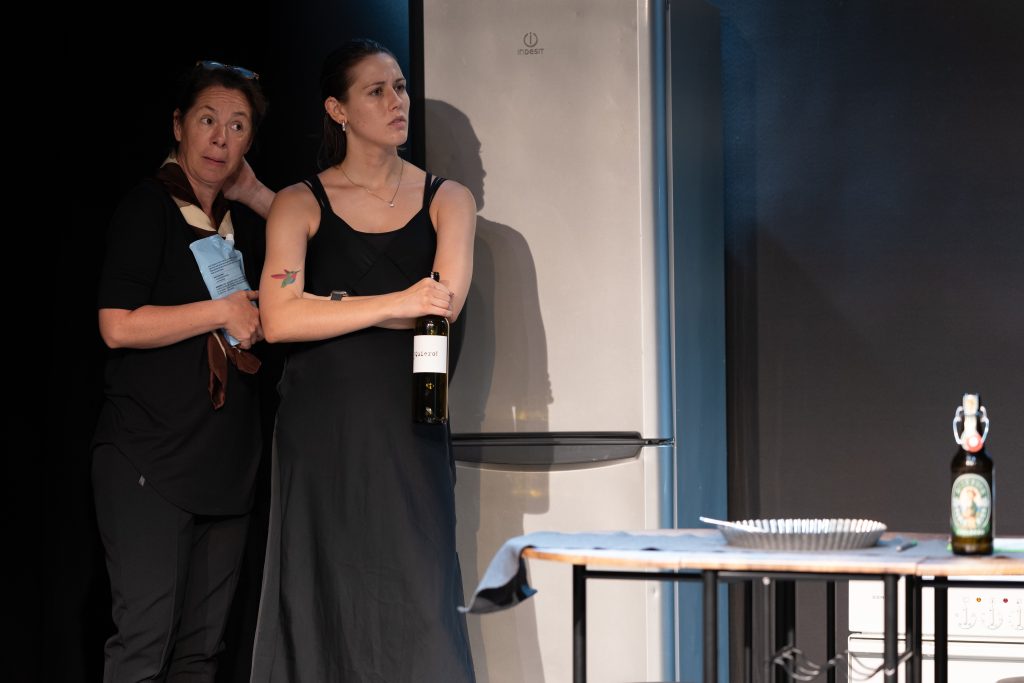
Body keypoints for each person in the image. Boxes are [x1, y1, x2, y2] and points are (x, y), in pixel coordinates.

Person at [250, 39, 476, 682]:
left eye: (399, 87)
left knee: (421, 596)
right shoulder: (299, 201)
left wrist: (332, 304)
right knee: (320, 593)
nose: (396, 101)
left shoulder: (447, 198)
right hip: (320, 431)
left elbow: (440, 309)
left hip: (410, 424)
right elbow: (280, 320)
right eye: (376, 91)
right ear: (338, 109)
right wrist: (397, 301)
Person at [92, 60, 274, 682]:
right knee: (145, 643)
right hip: (151, 456)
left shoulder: (239, 224)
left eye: (238, 126)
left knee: (200, 656)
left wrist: (256, 194)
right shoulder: (149, 207)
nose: (221, 138)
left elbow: (330, 242)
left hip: (224, 464)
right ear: (178, 125)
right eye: (207, 120)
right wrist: (220, 311)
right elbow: (116, 325)